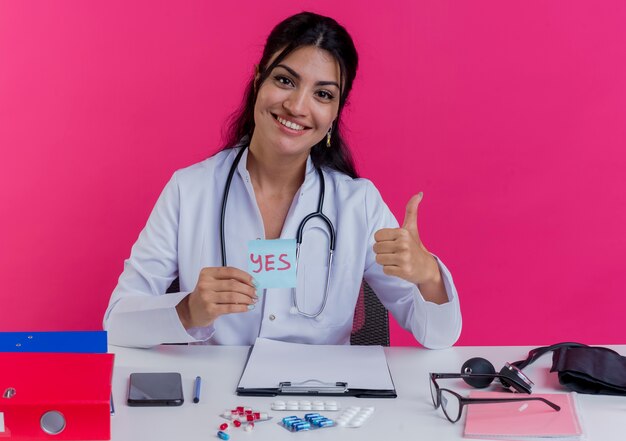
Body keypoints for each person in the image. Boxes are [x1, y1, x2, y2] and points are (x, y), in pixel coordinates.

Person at [103, 12, 461, 349]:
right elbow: (116, 322)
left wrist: (428, 274)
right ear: (259, 79)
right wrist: (188, 310)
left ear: (336, 112)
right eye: (285, 80)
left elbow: (438, 336)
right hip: (218, 406)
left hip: (322, 405)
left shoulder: (358, 204)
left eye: (323, 94)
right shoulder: (190, 190)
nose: (297, 106)